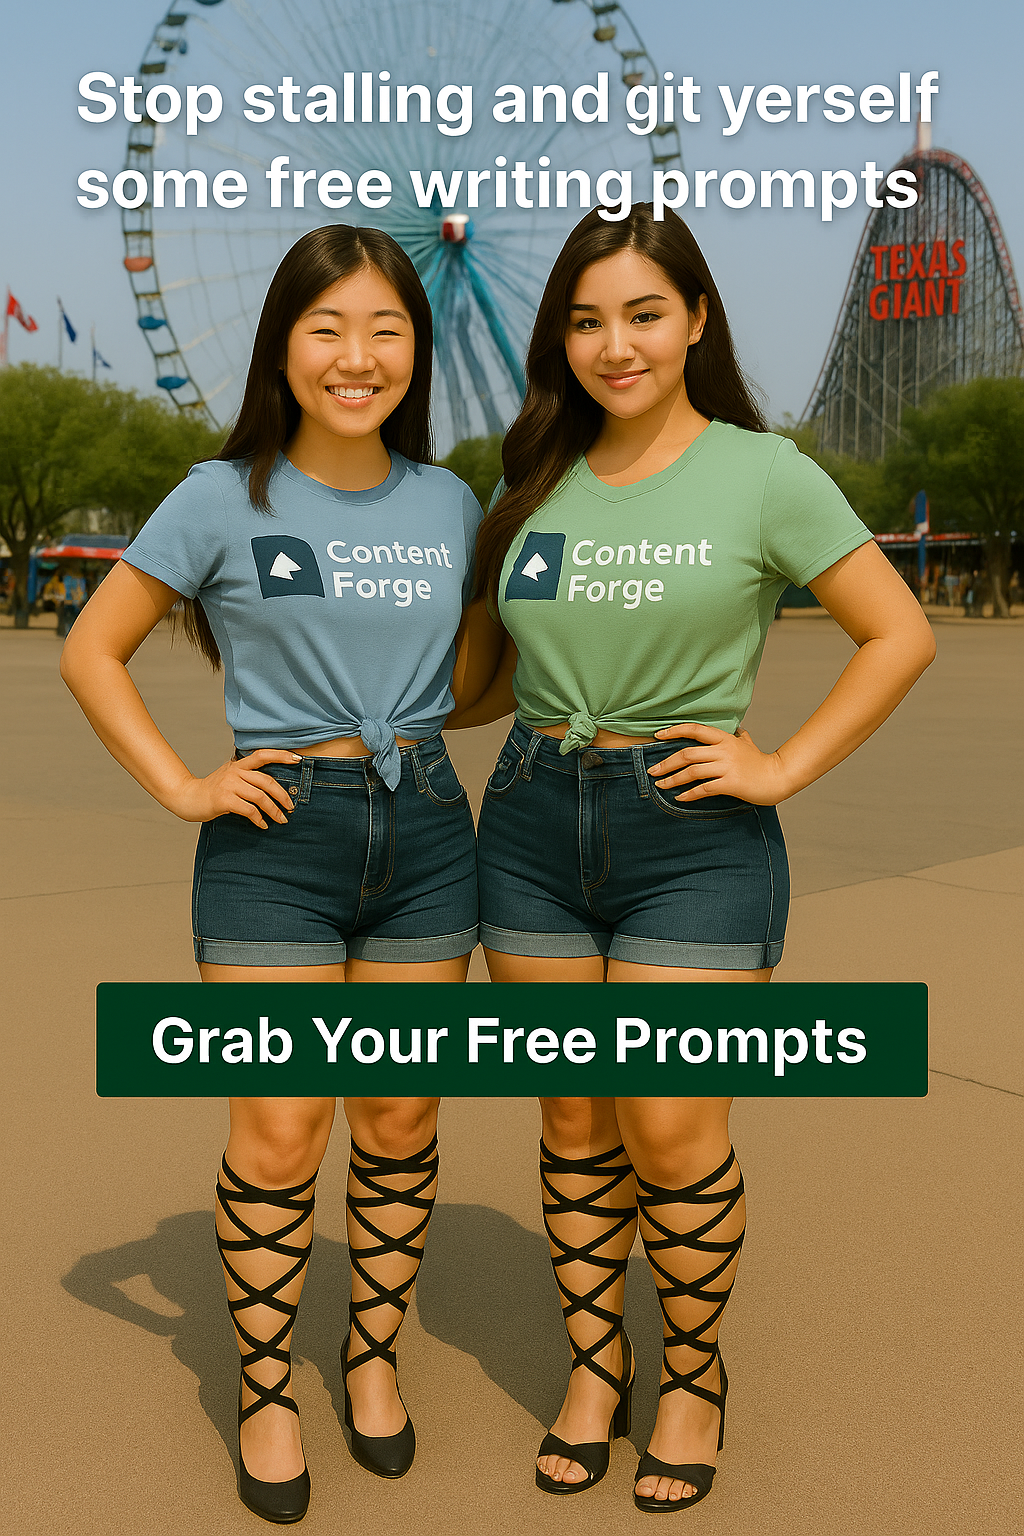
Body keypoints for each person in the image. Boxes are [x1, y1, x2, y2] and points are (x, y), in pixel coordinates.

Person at [464, 205, 936, 1513]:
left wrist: (778, 766)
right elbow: (481, 688)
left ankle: (691, 1375)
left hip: (695, 836)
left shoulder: (763, 474)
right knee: (574, 1118)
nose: (615, 344)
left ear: (696, 321)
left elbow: (897, 633)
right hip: (532, 821)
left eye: (643, 314)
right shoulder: (532, 485)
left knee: (669, 1127)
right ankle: (595, 1369)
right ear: (559, 339)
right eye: (586, 320)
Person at [60, 225, 497, 1525]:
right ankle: (264, 1388)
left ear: (416, 352)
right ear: (283, 347)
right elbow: (93, 649)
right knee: (279, 1125)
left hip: (427, 829)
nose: (357, 357)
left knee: (400, 1118)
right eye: (327, 329)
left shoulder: (451, 504)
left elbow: (476, 678)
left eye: (385, 331)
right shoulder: (218, 496)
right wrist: (185, 786)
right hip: (272, 844)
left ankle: (371, 1358)